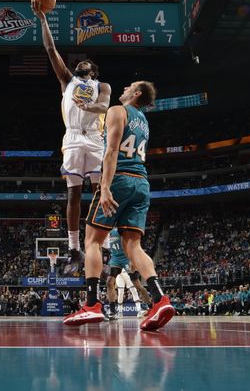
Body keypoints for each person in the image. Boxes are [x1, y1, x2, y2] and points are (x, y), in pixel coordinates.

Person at [63, 81, 175, 331]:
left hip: (120, 180)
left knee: (91, 241)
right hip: (142, 183)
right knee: (133, 245)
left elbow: (112, 151)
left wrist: (104, 187)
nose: (125, 87)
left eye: (131, 86)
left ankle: (92, 304)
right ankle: (159, 300)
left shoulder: (118, 110)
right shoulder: (144, 122)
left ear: (136, 94)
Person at [32, 4, 111, 273]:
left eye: (85, 63)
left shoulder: (102, 86)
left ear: (94, 70)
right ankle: (74, 249)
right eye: (78, 63)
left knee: (101, 192)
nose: (80, 64)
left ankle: (106, 245)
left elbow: (104, 106)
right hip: (74, 139)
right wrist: (43, 20)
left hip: (96, 138)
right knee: (74, 194)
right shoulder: (67, 80)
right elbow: (51, 50)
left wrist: (90, 107)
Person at [105, 228, 149, 319]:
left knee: (137, 286)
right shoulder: (107, 232)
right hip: (115, 258)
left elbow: (131, 244)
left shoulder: (123, 229)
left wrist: (133, 259)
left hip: (127, 258)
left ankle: (150, 306)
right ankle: (113, 311)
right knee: (109, 282)